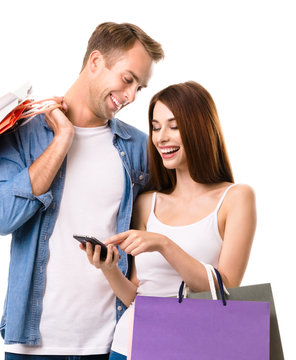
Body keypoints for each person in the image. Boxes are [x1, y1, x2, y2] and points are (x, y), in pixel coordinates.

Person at [0, 22, 164, 360]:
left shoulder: (140, 148)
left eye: (139, 87)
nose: (131, 97)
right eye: (128, 80)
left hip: (114, 344)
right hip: (32, 344)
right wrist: (62, 139)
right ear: (95, 62)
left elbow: (168, 224)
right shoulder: (22, 133)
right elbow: (1, 217)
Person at [82, 81, 257, 360]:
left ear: (200, 129)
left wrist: (164, 244)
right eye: (155, 126)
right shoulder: (146, 203)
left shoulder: (236, 198)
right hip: (130, 346)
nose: (161, 137)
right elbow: (137, 298)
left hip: (193, 348)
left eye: (173, 126)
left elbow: (225, 288)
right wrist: (110, 269)